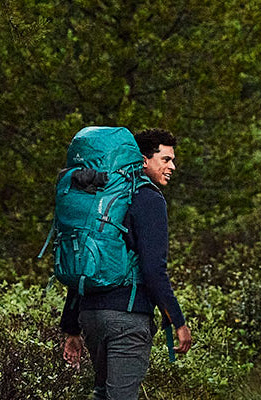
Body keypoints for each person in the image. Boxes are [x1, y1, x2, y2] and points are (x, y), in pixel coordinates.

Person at [58, 128, 194, 400]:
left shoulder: (101, 198)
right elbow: (154, 269)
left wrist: (72, 326)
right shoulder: (148, 198)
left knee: (101, 393)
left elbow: (85, 264)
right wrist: (177, 321)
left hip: (92, 317)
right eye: (165, 159)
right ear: (143, 160)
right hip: (127, 319)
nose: (172, 166)